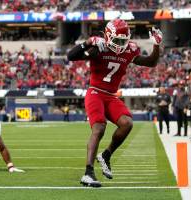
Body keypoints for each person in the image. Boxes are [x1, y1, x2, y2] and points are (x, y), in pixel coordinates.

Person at [67, 19, 163, 187]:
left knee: (127, 123)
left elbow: (151, 62)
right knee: (99, 127)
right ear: (108, 36)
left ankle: (106, 155)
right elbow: (71, 56)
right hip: (95, 92)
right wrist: (87, 43)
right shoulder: (99, 47)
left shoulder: (130, 49)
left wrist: (156, 45)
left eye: (122, 41)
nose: (119, 45)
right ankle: (88, 173)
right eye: (116, 40)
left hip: (111, 96)